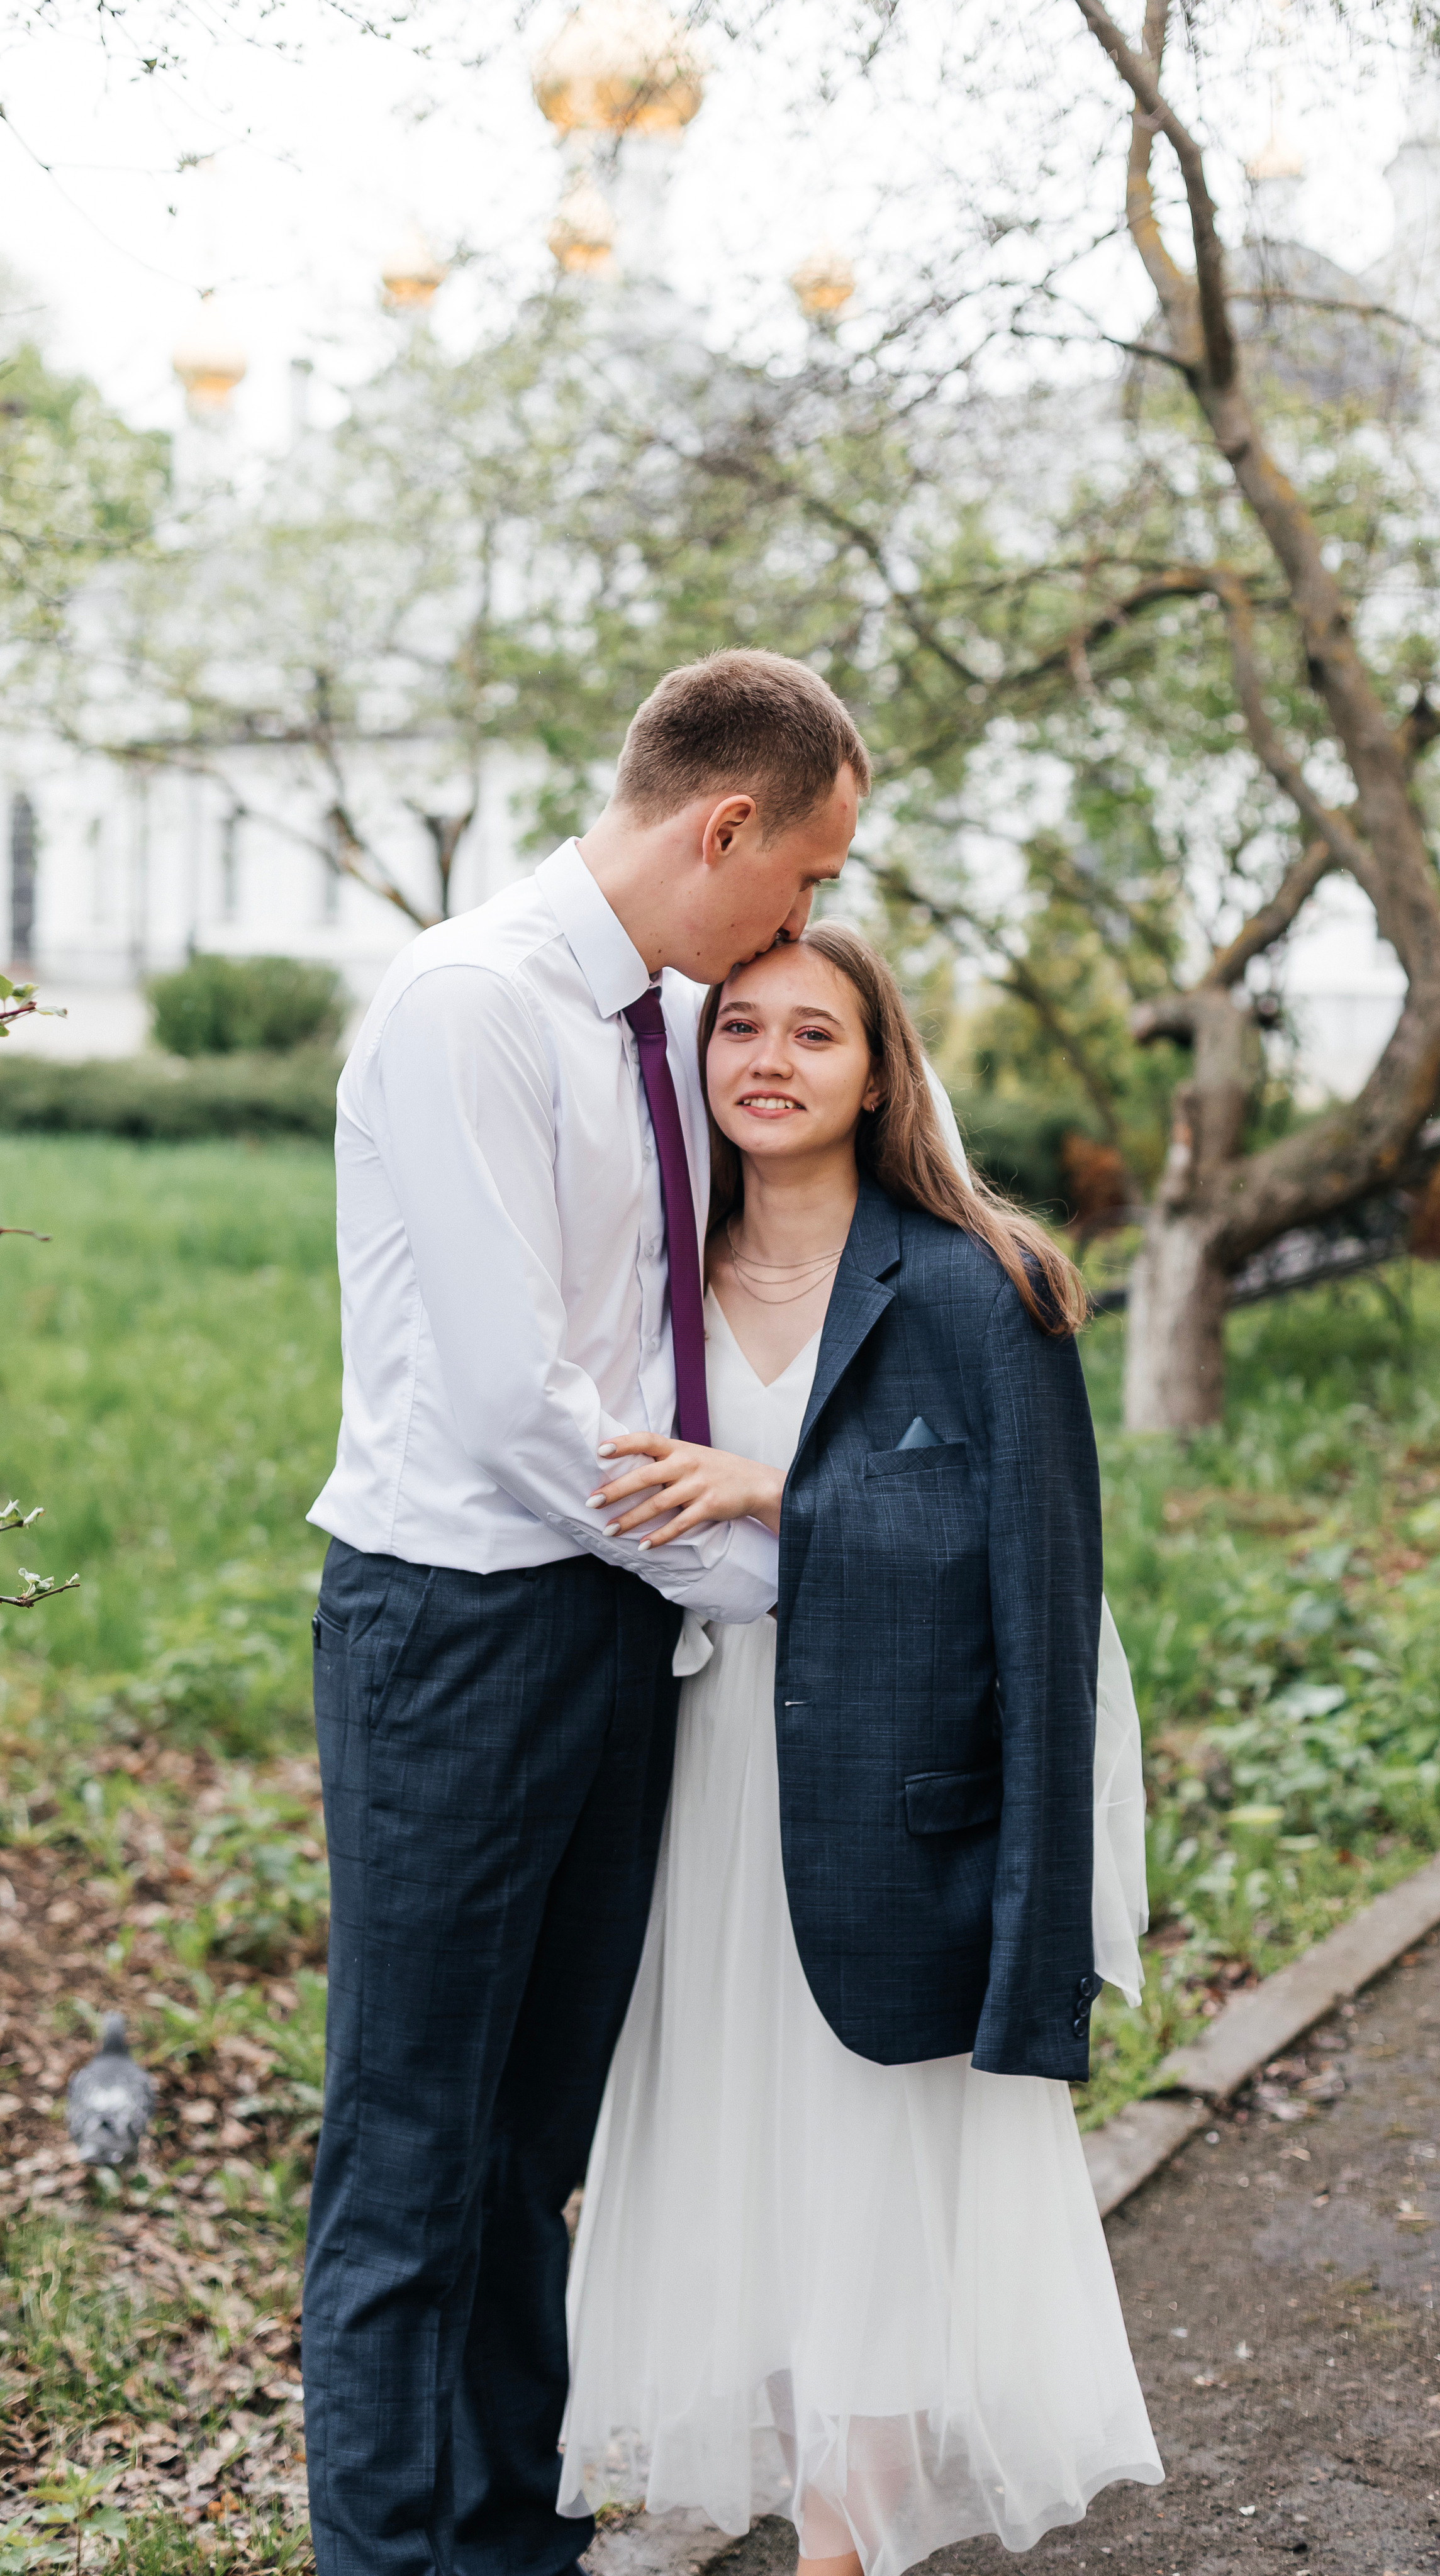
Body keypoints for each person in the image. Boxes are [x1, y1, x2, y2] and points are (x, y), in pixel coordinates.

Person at [301, 651, 871, 2576]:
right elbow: (514, 1406)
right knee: (410, 2157)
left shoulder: (674, 1025)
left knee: (531, 2149)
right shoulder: (474, 1005)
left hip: (618, 1633)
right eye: (802, 879)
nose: (807, 923)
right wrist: (774, 1566)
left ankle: (504, 2546)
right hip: (458, 1638)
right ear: (725, 828)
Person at [558, 923, 1163, 2576]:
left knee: (875, 2180)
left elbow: (1031, 1575)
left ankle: (842, 2552)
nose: (766, 1057)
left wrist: (779, 1495)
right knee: (735, 2154)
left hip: (898, 1816)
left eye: (812, 1032)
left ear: (880, 1068)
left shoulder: (983, 1287)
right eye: (736, 1026)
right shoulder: (642, 1287)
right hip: (692, 1791)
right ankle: (774, 2483)